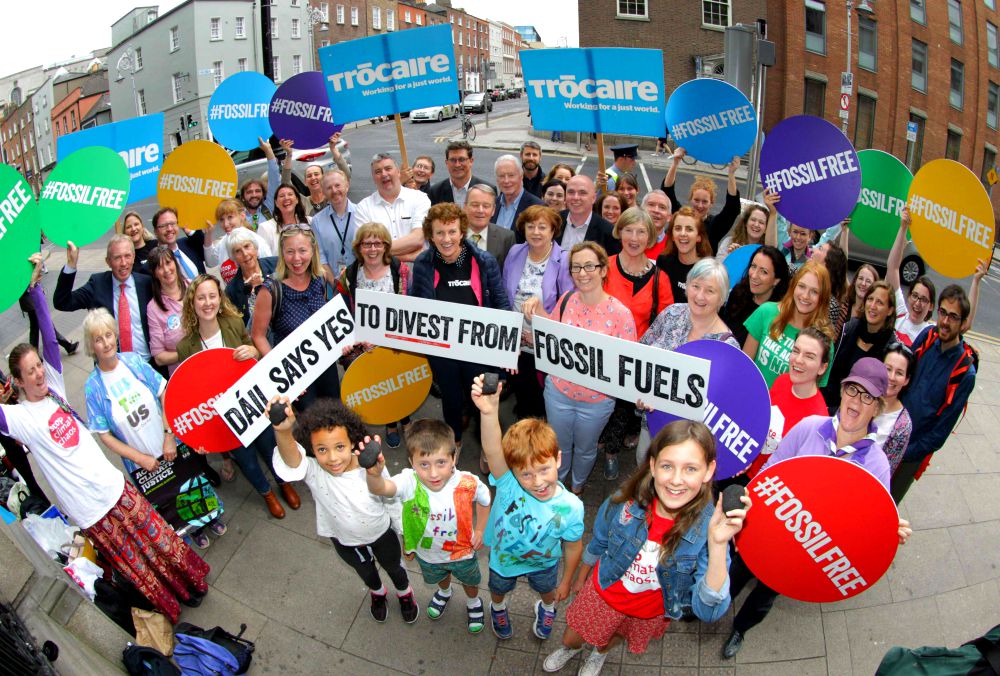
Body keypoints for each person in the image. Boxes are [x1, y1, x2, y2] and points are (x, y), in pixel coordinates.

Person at [2, 262, 207, 624]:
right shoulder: (19, 418)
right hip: (89, 508)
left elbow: (50, 340)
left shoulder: (55, 391)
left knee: (158, 537)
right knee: (136, 561)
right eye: (29, 371)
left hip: (114, 486)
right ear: (17, 381)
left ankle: (192, 582)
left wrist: (35, 291)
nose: (38, 373)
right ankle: (172, 603)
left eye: (38, 366)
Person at [722, 358, 912, 660]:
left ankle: (741, 628)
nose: (856, 401)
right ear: (842, 390)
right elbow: (771, 470)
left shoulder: (876, 465)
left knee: (766, 594)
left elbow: (869, 524)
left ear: (876, 407)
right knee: (737, 569)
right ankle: (715, 605)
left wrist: (889, 530)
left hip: (806, 548)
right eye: (852, 390)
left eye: (867, 397)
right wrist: (744, 511)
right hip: (770, 528)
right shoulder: (810, 427)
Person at [543, 421, 750, 676]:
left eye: (691, 469)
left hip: (647, 611)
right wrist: (582, 576)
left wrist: (718, 545)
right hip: (605, 592)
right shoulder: (624, 502)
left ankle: (599, 654)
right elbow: (600, 540)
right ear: (652, 465)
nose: (676, 480)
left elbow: (708, 611)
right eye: (667, 466)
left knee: (614, 636)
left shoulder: (710, 529)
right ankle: (570, 649)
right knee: (574, 635)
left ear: (709, 471)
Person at [82, 308, 226, 550]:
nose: (106, 343)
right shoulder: (93, 388)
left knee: (190, 481)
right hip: (142, 461)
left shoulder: (133, 361)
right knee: (167, 498)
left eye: (108, 335)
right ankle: (190, 528)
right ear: (91, 345)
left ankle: (209, 518)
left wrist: (170, 436)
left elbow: (164, 392)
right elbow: (104, 435)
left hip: (168, 443)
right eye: (98, 339)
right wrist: (140, 459)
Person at [268, 396, 418, 624]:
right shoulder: (314, 470)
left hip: (381, 534)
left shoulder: (369, 467)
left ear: (352, 442)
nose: (332, 458)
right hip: (345, 540)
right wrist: (283, 431)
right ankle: (377, 593)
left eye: (339, 447)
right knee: (366, 573)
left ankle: (405, 593)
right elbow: (292, 462)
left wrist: (406, 534)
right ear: (312, 449)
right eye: (321, 449)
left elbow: (392, 499)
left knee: (394, 567)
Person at [472, 375, 585, 642]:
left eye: (544, 469)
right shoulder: (509, 483)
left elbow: (573, 546)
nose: (537, 482)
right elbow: (492, 449)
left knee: (547, 589)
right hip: (503, 559)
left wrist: (566, 580)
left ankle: (546, 607)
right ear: (513, 472)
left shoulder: (571, 507)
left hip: (544, 563)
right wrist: (489, 412)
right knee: (498, 588)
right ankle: (497, 608)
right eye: (526, 474)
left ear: (558, 458)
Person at [178, 274, 299, 519]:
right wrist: (199, 434)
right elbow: (190, 392)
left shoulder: (233, 323)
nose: (207, 302)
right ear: (193, 303)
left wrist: (253, 350)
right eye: (201, 298)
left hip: (252, 405)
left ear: (220, 299)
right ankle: (267, 494)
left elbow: (253, 351)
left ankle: (283, 482)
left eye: (212, 296)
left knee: (269, 447)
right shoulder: (185, 347)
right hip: (224, 418)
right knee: (247, 461)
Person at [523, 242, 637, 494]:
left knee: (586, 448)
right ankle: (558, 484)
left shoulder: (621, 315)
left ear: (603, 270)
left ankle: (577, 486)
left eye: (589, 266)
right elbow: (552, 335)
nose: (582, 273)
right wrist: (537, 308)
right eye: (576, 267)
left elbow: (627, 365)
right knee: (559, 446)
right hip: (558, 392)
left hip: (597, 401)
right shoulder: (566, 301)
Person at [363, 419, 491, 633]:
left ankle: (473, 601)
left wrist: (479, 530)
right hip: (428, 553)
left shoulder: (467, 482)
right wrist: (373, 475)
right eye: (424, 464)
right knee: (439, 576)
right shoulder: (409, 482)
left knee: (470, 580)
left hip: (462, 552)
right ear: (411, 462)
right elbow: (382, 488)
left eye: (441, 462)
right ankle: (445, 591)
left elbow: (484, 500)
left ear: (454, 457)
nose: (433, 474)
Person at [409, 203, 509, 456]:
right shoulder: (423, 263)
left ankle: (490, 450)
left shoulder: (483, 261)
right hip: (443, 351)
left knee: (483, 402)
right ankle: (454, 443)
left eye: (452, 231)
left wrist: (506, 349)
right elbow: (416, 306)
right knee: (451, 400)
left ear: (462, 232)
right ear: (430, 235)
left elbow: (500, 302)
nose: (446, 239)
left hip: (479, 348)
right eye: (440, 233)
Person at [635, 259, 740, 462]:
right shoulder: (671, 313)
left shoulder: (728, 347)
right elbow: (642, 353)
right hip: (651, 423)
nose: (700, 296)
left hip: (689, 439)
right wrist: (639, 390)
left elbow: (721, 402)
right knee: (644, 467)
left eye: (710, 290)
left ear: (722, 297)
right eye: (695, 286)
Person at [892, 285, 978, 503]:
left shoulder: (964, 373)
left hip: (912, 451)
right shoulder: (927, 335)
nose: (946, 321)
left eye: (953, 316)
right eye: (942, 312)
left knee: (887, 505)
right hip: (890, 430)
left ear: (963, 322)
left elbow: (940, 433)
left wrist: (907, 451)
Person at [336, 222, 411, 448]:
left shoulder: (401, 270)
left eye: (377, 243)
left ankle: (406, 417)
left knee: (402, 382)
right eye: (366, 243)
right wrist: (355, 337)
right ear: (358, 247)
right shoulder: (349, 274)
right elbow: (342, 311)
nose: (372, 249)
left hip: (395, 341)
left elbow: (411, 308)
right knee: (381, 385)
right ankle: (390, 422)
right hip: (363, 343)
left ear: (386, 246)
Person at [252, 226, 341, 409]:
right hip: (295, 372)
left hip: (325, 365)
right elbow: (258, 335)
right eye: (290, 252)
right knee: (310, 427)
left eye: (302, 250)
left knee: (335, 417)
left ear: (312, 251)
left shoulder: (321, 279)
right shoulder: (270, 289)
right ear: (282, 253)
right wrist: (281, 372)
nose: (297, 258)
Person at [502, 205, 573, 419]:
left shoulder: (565, 259)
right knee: (523, 395)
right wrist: (511, 336)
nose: (535, 232)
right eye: (530, 226)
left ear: (553, 231)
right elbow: (505, 295)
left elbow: (568, 307)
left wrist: (539, 337)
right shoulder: (515, 252)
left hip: (545, 344)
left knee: (544, 400)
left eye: (542, 227)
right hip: (517, 341)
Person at [54, 235, 154, 364]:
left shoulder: (146, 283)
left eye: (127, 256)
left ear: (134, 257)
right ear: (108, 261)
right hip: (111, 368)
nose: (123, 263)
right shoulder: (97, 284)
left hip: (147, 364)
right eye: (117, 258)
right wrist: (71, 264)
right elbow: (62, 302)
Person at [747, 327, 831, 477]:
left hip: (767, 488)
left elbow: (800, 473)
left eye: (809, 356)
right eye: (796, 351)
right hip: (746, 470)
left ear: (822, 368)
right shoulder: (782, 381)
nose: (798, 360)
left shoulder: (818, 420)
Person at [742, 260, 835, 389]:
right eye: (801, 286)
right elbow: (743, 365)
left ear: (822, 298)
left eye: (814, 291)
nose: (805, 296)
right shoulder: (767, 312)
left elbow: (810, 394)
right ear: (793, 286)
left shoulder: (823, 342)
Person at [822, 280, 897, 411]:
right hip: (829, 404)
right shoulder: (849, 329)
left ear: (890, 310)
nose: (872, 306)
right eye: (870, 299)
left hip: (858, 413)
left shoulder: (890, 349)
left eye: (879, 302)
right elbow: (832, 371)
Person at [354, 153, 431, 262]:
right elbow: (363, 250)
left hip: (417, 275)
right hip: (381, 276)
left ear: (398, 172)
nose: (384, 174)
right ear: (373, 178)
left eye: (388, 168)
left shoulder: (420, 199)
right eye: (378, 172)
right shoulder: (363, 208)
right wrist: (408, 257)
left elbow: (418, 239)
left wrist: (378, 251)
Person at [661, 149, 741, 253]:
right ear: (690, 199)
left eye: (705, 201)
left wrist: (731, 173)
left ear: (711, 203)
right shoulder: (680, 216)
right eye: (696, 200)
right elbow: (667, 191)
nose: (700, 205)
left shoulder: (715, 226)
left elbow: (732, 209)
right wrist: (675, 163)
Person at [720, 245, 790, 349]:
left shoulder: (778, 313)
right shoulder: (738, 293)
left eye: (764, 272)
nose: (754, 275)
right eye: (753, 266)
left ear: (776, 280)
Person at [885, 207, 936, 346]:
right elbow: (893, 267)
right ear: (908, 296)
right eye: (915, 296)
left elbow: (963, 324)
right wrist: (903, 228)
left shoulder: (929, 334)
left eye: (924, 299)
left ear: (931, 306)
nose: (918, 303)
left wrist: (976, 281)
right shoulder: (900, 314)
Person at [202, 199, 273, 282]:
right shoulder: (223, 242)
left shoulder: (256, 241)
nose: (226, 224)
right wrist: (208, 234)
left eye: (230, 217)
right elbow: (211, 262)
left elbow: (269, 269)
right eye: (222, 219)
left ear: (242, 216)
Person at [145, 246, 188, 377]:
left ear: (175, 262)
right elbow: (159, 357)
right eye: (159, 267)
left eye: (168, 263)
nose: (166, 270)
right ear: (154, 273)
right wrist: (189, 352)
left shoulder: (195, 288)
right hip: (182, 376)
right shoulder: (153, 308)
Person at [655, 206, 713, 303]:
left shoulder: (708, 270)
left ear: (699, 237)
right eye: (678, 228)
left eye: (689, 229)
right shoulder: (663, 262)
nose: (682, 233)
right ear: (672, 236)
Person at [312, 169, 358, 285]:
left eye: (337, 185)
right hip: (333, 284)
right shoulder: (317, 221)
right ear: (323, 191)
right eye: (329, 188)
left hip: (362, 282)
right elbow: (320, 258)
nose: (334, 191)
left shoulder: (362, 213)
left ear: (347, 186)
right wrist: (337, 286)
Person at [223, 228, 278, 324]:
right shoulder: (231, 291)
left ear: (255, 247)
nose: (245, 254)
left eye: (247, 246)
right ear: (233, 257)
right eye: (238, 251)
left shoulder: (276, 264)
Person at [877, 343, 915, 475]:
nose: (891, 377)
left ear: (906, 380)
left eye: (899, 373)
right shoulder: (859, 396)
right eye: (888, 369)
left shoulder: (903, 426)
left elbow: (886, 471)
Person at [559, 175, 620, 256]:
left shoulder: (608, 232)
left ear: (593, 198)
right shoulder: (554, 221)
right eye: (571, 192)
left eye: (582, 193)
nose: (576, 197)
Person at [465, 184, 515, 270]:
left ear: (493, 210)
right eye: (475, 205)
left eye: (486, 206)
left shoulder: (506, 238)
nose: (480, 210)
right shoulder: (452, 234)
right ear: (465, 207)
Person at [149, 207, 206, 282]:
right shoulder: (153, 262)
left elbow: (208, 257)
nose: (169, 229)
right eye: (164, 226)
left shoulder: (187, 243)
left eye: (172, 224)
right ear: (156, 231)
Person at [428, 140, 491, 207]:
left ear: (471, 161)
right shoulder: (435, 191)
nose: (457, 165)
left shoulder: (487, 190)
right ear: (447, 163)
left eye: (462, 159)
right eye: (452, 160)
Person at [17, 288, 78, 356]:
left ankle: (34, 354)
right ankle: (68, 346)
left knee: (35, 329)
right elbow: (27, 286)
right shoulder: (22, 280)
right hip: (32, 302)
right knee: (47, 326)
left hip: (31, 302)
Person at [257, 182, 310, 260]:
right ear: (276, 203)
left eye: (290, 194)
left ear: (297, 199)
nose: (286, 198)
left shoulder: (310, 222)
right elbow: (265, 259)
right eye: (281, 196)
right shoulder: (265, 228)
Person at [494, 154, 543, 233]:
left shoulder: (538, 207)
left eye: (511, 175)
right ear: (497, 179)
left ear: (521, 176)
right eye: (501, 176)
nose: (506, 181)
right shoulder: (492, 204)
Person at [642, 190, 673, 260]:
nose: (656, 210)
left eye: (662, 207)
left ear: (669, 217)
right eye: (651, 204)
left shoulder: (673, 248)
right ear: (641, 210)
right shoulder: (626, 239)